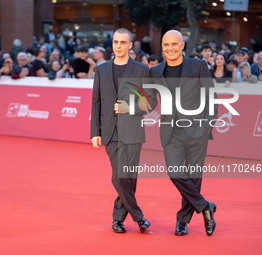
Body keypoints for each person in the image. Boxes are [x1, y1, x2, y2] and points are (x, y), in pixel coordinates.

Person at [148, 30, 217, 236]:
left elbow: (210, 94)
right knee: (175, 173)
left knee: (194, 177)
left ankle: (182, 221)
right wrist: (129, 107)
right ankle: (205, 207)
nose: (170, 48)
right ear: (162, 46)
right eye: (166, 44)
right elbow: (150, 100)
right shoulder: (156, 71)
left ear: (182, 46)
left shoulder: (197, 66)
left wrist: (209, 124)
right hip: (171, 132)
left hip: (197, 129)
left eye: (174, 44)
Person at [90, 28, 156, 234]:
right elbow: (96, 102)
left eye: (122, 42)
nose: (118, 46)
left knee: (129, 177)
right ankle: (139, 217)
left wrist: (131, 108)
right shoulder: (101, 70)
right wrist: (95, 132)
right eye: (115, 42)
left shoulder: (141, 70)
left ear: (130, 45)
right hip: (110, 131)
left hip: (133, 129)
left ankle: (118, 219)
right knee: (119, 175)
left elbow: (151, 101)